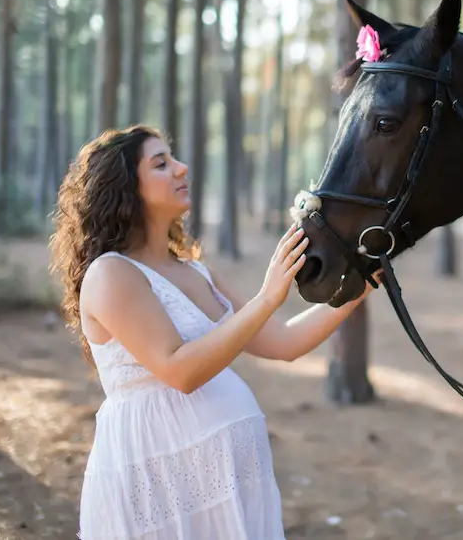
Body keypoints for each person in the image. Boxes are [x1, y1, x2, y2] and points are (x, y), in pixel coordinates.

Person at [48, 124, 379, 540]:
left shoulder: (196, 272)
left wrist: (362, 284)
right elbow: (179, 371)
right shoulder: (111, 273)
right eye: (161, 164)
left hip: (228, 483)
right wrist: (266, 297)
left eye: (175, 158)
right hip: (159, 480)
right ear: (123, 186)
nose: (182, 169)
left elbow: (285, 342)